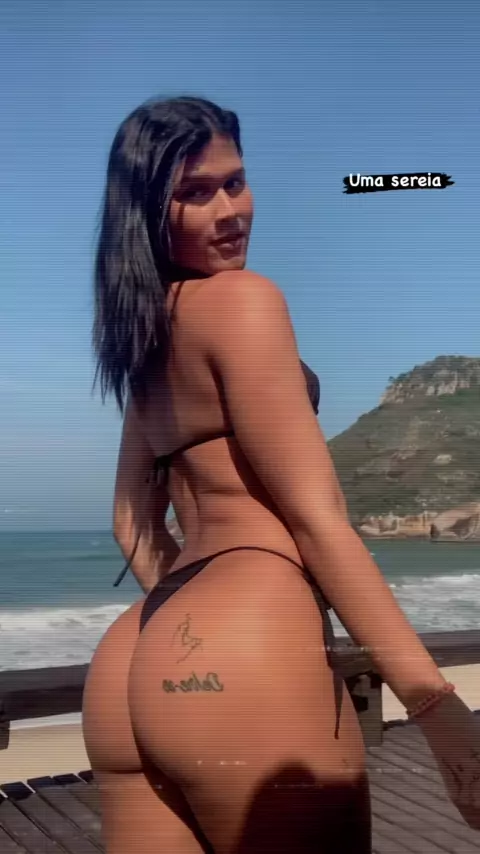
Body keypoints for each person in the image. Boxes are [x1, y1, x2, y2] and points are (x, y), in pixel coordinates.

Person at [82, 95, 480, 854]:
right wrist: (437, 709)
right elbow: (317, 522)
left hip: (137, 654)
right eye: (196, 193)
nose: (229, 212)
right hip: (248, 652)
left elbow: (130, 519)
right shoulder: (244, 301)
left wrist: (190, 638)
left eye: (236, 183)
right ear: (148, 212)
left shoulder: (146, 335)